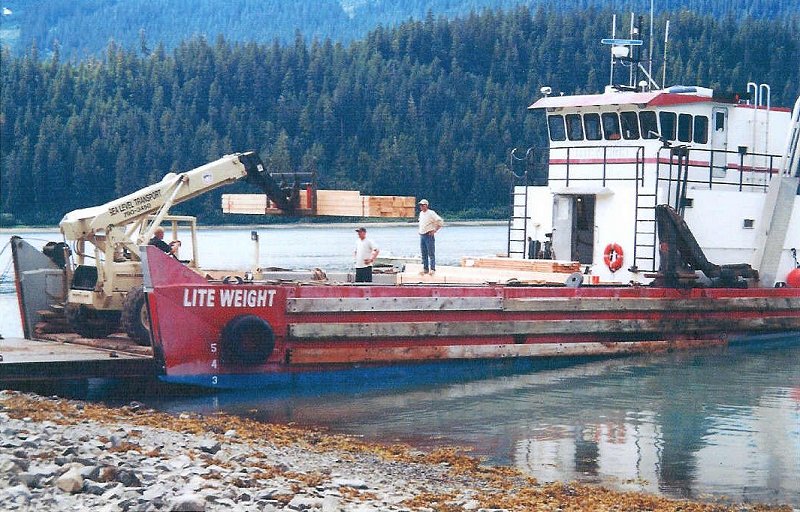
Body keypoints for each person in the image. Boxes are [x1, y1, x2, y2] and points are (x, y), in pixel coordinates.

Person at [417, 199, 443, 275]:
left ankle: (432, 269)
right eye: (420, 205)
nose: (421, 206)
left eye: (422, 205)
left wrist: (435, 230)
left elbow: (440, 221)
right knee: (423, 253)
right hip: (422, 235)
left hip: (429, 235)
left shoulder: (431, 213)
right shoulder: (421, 213)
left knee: (431, 253)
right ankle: (425, 269)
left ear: (426, 205)